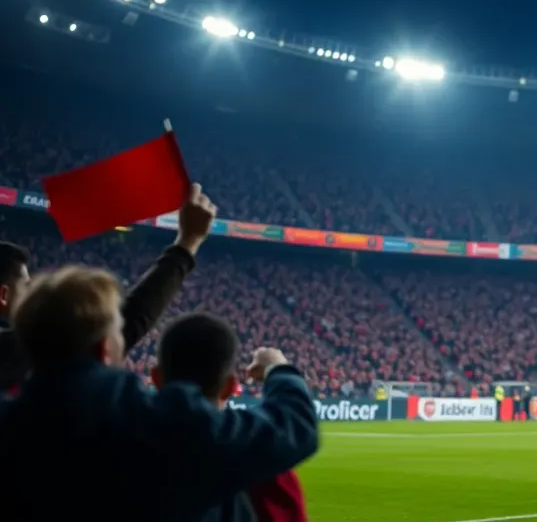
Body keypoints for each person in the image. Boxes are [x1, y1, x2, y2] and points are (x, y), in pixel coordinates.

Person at [0, 264, 319, 521]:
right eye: (118, 334)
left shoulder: (12, 425)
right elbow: (294, 428)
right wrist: (278, 369)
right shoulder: (158, 424)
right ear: (103, 349)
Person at [0, 183, 217, 393]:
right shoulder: (17, 349)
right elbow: (130, 319)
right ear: (4, 295)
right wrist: (187, 244)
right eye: (26, 285)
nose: (31, 294)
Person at [151, 313, 310, 521]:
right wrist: (277, 367)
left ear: (156, 378)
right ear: (230, 386)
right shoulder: (261, 462)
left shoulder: (120, 450)